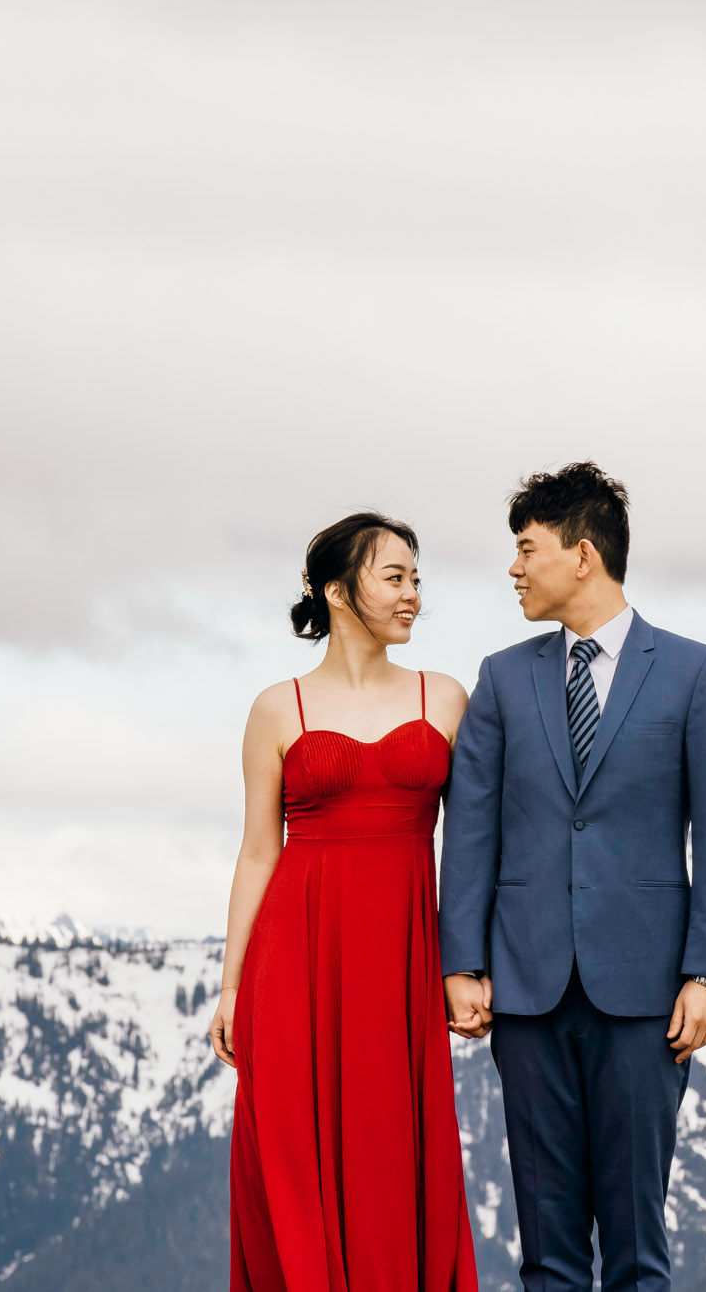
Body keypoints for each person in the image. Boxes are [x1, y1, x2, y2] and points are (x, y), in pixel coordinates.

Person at [439, 462, 706, 1292]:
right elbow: (471, 826)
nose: (513, 568)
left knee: (637, 1247)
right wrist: (459, 963)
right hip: (527, 994)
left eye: (525, 549)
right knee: (546, 1248)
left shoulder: (694, 671)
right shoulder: (503, 677)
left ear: (582, 554)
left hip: (648, 996)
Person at [209, 511, 478, 1292]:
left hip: (400, 958)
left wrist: (470, 962)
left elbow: (472, 849)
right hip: (295, 959)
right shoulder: (276, 707)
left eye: (417, 579)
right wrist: (231, 987)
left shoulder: (446, 697)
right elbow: (260, 849)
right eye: (395, 577)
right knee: (295, 1163)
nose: (413, 596)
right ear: (335, 590)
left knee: (393, 1156)